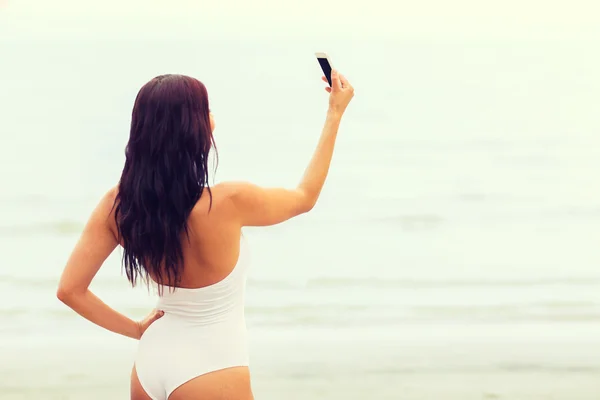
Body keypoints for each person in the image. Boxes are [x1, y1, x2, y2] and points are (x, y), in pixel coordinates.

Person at [56, 68, 354, 400]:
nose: (213, 118)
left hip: (150, 364)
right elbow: (305, 197)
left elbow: (70, 290)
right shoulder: (229, 202)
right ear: (193, 129)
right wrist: (335, 113)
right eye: (206, 111)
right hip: (211, 368)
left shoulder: (119, 204)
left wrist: (137, 330)